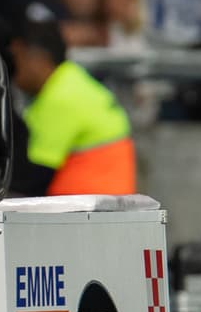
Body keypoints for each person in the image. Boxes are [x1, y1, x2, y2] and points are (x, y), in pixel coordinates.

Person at [8, 17, 136, 197]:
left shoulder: (61, 96)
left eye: (15, 58)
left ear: (38, 59)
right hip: (101, 209)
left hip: (86, 214)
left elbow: (32, 179)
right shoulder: (71, 81)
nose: (11, 69)